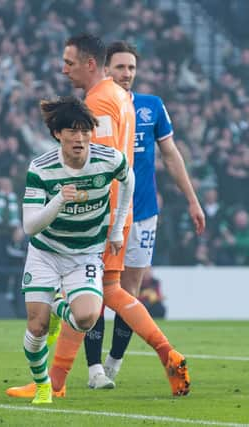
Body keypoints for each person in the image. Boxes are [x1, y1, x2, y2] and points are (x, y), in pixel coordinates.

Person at [6, 34, 190, 399]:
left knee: (104, 293)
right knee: (107, 293)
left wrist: (79, 206)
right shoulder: (121, 97)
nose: (64, 69)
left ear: (89, 63)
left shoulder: (100, 102)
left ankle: (163, 352)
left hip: (99, 215)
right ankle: (57, 382)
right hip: (119, 211)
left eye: (69, 62)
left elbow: (93, 163)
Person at [82, 41, 206, 387]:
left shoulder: (152, 107)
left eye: (131, 68)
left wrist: (193, 201)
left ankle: (113, 363)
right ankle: (93, 370)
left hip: (142, 214)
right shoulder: (96, 106)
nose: (127, 74)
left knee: (129, 292)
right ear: (106, 70)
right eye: (120, 68)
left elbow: (171, 155)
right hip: (103, 213)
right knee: (98, 289)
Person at [17, 96, 134, 404]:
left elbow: (128, 178)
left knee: (87, 318)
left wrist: (118, 225)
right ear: (58, 134)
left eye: (85, 131)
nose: (80, 138)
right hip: (46, 252)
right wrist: (58, 200)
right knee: (36, 327)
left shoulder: (108, 159)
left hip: (84, 254)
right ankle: (43, 386)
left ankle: (59, 307)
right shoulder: (41, 169)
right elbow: (29, 226)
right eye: (72, 131)